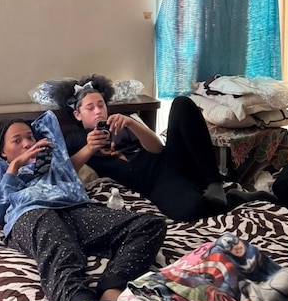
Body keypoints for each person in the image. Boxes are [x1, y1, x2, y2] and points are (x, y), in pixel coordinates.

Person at [0, 110, 166, 301]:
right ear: (2, 151)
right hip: (31, 213)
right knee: (62, 250)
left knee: (149, 225)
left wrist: (55, 160)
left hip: (74, 209)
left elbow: (72, 166)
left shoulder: (55, 163)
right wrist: (15, 167)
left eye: (30, 137)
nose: (27, 144)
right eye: (17, 140)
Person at [54, 74, 275, 222]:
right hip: (154, 183)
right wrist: (89, 150)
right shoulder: (75, 139)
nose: (97, 111)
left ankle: (214, 181)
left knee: (181, 104)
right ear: (77, 114)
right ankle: (237, 197)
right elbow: (65, 171)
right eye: (90, 108)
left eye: (101, 105)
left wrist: (132, 124)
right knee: (188, 211)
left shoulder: (123, 122)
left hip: (169, 161)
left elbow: (158, 149)